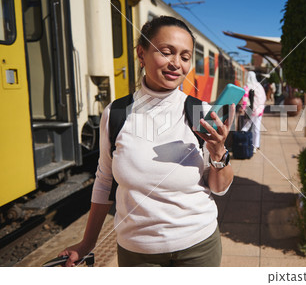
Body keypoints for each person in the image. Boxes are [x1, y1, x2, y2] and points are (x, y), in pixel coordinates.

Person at [59, 16, 234, 267]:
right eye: (166, 52)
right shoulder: (116, 114)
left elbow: (220, 188)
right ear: (142, 54)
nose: (176, 64)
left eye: (185, 57)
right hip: (137, 252)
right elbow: (104, 180)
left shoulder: (200, 111)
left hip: (199, 247)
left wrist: (218, 151)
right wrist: (87, 243)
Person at [240, 71, 266, 152]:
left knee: (245, 127)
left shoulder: (247, 86)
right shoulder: (259, 86)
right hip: (260, 110)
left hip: (250, 111)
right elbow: (264, 97)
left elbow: (245, 99)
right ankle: (256, 146)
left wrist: (243, 108)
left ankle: (242, 143)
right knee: (256, 128)